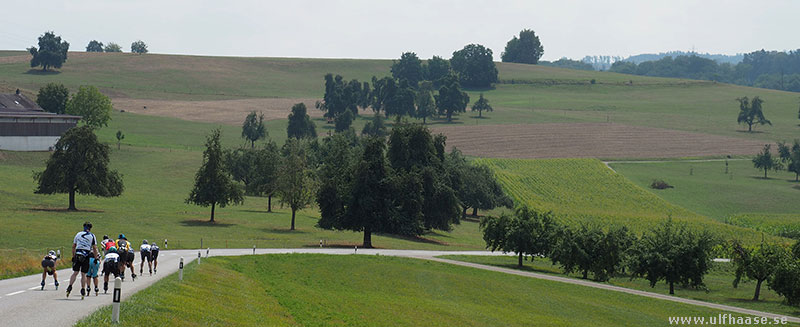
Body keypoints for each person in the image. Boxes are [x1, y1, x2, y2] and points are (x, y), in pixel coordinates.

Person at [66, 222, 98, 299]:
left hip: (78, 254)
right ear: (90, 228)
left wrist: (73, 256)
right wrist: (96, 258)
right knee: (83, 274)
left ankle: (69, 287)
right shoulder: (92, 236)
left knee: (75, 272)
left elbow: (73, 246)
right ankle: (83, 289)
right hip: (86, 255)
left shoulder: (78, 234)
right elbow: (94, 248)